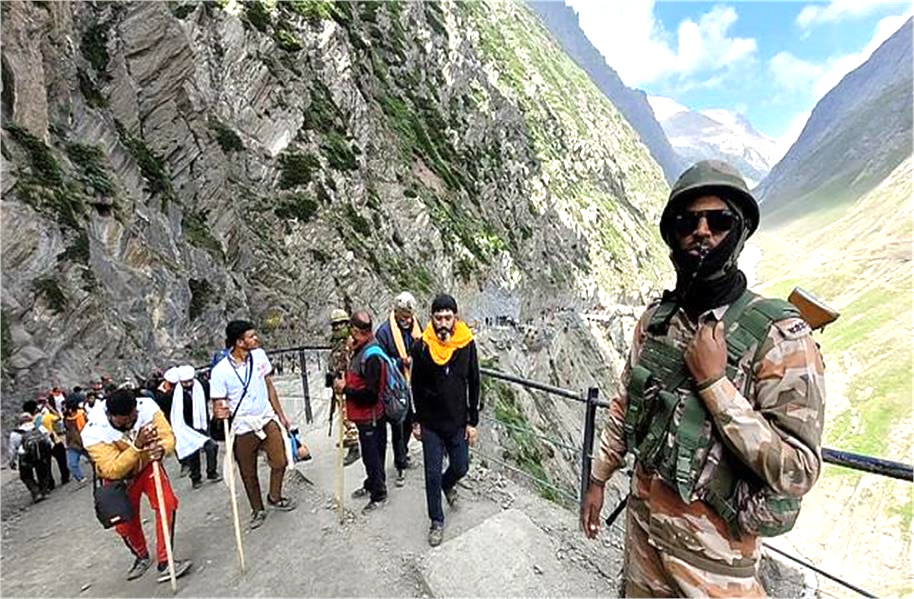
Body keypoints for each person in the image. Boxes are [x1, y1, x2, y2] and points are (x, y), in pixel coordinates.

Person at [580, 160, 826, 597]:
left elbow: (798, 470)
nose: (702, 232)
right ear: (672, 234)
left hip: (715, 569)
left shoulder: (779, 338)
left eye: (719, 220)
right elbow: (624, 406)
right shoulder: (656, 323)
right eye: (688, 222)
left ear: (740, 230)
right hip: (643, 545)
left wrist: (716, 387)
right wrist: (598, 478)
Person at [82, 389, 193, 582]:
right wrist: (137, 446)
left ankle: (165, 560)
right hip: (118, 480)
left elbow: (167, 436)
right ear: (111, 416)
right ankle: (141, 555)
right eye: (124, 421)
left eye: (133, 418)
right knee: (124, 524)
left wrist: (162, 449)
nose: (130, 423)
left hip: (148, 466)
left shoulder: (147, 408)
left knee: (166, 504)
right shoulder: (93, 432)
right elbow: (112, 469)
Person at [211, 320, 296, 530]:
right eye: (251, 336)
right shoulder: (220, 371)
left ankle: (274, 496)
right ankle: (257, 509)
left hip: (265, 417)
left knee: (280, 460)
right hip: (243, 425)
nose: (256, 339)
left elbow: (269, 386)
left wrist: (281, 415)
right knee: (248, 472)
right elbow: (218, 402)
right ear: (239, 342)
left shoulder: (259, 356)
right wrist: (219, 412)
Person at [410, 294, 480, 546]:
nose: (442, 323)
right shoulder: (422, 346)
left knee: (461, 466)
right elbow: (416, 385)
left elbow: (474, 382)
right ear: (431, 318)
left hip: (457, 421)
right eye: (438, 318)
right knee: (431, 473)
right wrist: (415, 421)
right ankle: (436, 520)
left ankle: (447, 484)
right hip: (430, 423)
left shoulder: (466, 344)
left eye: (447, 318)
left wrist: (473, 421)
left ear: (455, 318)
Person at [332, 311, 387, 512]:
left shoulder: (371, 356)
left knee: (372, 456)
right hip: (364, 416)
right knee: (372, 455)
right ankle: (372, 483)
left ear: (356, 330)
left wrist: (345, 389)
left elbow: (371, 395)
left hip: (370, 416)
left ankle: (379, 494)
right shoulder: (360, 349)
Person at [374, 291, 423, 487]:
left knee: (409, 422)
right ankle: (400, 463)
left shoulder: (416, 328)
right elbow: (381, 361)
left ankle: (403, 453)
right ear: (396, 313)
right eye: (403, 317)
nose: (407, 320)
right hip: (394, 387)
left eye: (409, 316)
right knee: (398, 424)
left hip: (413, 383)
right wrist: (401, 362)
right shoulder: (384, 332)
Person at [325, 309, 360, 467]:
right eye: (335, 325)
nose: (338, 327)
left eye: (341, 324)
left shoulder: (350, 341)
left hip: (346, 381)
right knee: (343, 412)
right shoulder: (336, 341)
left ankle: (355, 445)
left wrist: (342, 378)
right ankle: (350, 438)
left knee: (348, 415)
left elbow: (349, 363)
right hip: (338, 380)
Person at [176, 365, 220, 489]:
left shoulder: (202, 386)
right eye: (185, 382)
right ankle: (196, 478)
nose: (188, 384)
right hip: (188, 427)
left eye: (190, 381)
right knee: (193, 453)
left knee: (212, 446)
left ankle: (211, 472)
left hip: (202, 423)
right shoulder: (177, 394)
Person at [7, 412, 54, 502]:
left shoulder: (15, 434)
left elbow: (12, 450)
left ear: (20, 422)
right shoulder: (39, 428)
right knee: (43, 472)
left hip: (26, 457)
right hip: (41, 455)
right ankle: (44, 491)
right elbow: (48, 440)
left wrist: (12, 462)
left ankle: (36, 492)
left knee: (25, 476)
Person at [25, 398, 69, 487]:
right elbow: (58, 417)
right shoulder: (46, 417)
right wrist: (49, 407)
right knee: (61, 460)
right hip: (54, 440)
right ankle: (65, 477)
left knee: (46, 465)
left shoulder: (30, 423)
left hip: (41, 444)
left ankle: (50, 482)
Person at [63, 397, 89, 483]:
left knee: (95, 459)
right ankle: (80, 478)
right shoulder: (66, 419)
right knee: (72, 464)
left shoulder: (82, 414)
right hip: (73, 444)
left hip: (85, 441)